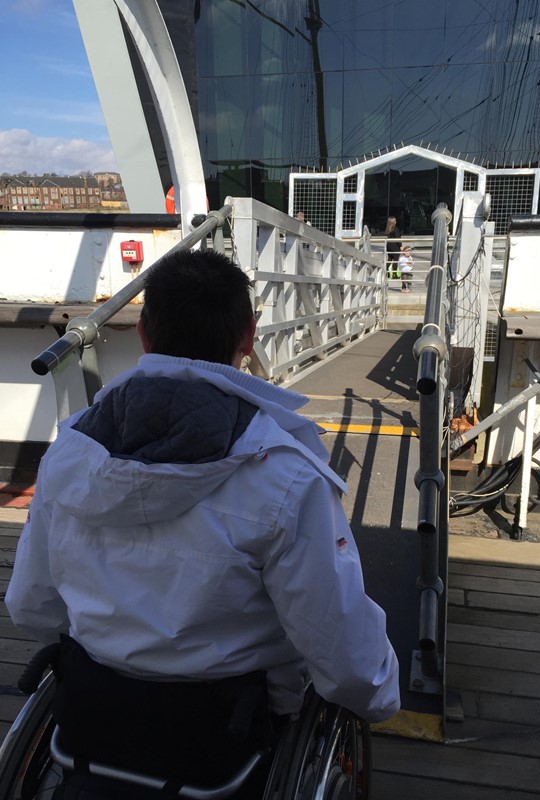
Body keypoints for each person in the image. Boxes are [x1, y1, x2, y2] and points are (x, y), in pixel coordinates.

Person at [6, 248, 400, 797]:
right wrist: (379, 700)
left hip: (95, 720)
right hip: (229, 735)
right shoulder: (285, 474)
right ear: (248, 336)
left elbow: (31, 606)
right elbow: (344, 654)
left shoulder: (70, 453)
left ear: (144, 334)